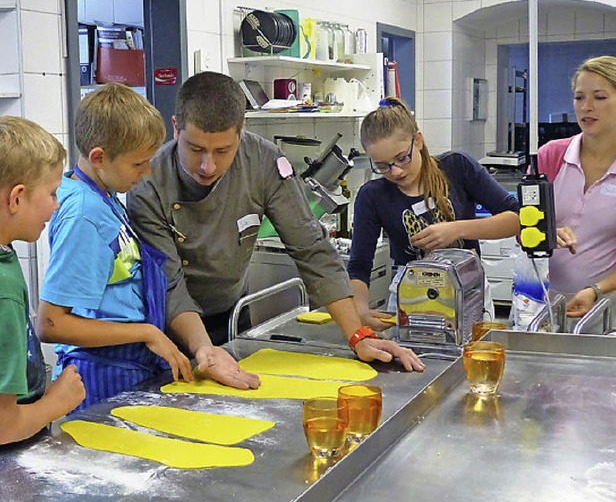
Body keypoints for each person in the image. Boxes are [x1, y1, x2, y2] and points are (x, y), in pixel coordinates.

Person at [127, 72, 423, 377]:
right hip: (169, 328)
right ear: (176, 128)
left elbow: (311, 249)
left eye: (223, 150)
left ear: (241, 134)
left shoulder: (264, 162)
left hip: (231, 315)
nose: (208, 166)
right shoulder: (148, 183)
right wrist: (204, 348)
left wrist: (358, 335)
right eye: (196, 149)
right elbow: (169, 283)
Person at [37, 83, 192, 410]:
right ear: (99, 157)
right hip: (100, 375)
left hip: (126, 365)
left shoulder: (101, 196)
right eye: (138, 164)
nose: (147, 172)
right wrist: (147, 333)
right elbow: (51, 323)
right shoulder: (85, 214)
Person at [348, 97, 520, 331]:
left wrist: (456, 229)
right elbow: (359, 265)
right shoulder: (372, 195)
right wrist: (360, 310)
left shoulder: (457, 168)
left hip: (467, 291)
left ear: (417, 141)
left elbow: (515, 218)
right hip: (410, 297)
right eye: (383, 166)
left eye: (401, 158)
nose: (396, 171)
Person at [537, 55, 616, 330]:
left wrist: (595, 290)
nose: (587, 107)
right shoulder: (551, 156)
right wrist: (545, 232)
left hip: (600, 304)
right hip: (540, 302)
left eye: (599, 97)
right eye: (579, 97)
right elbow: (522, 223)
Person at [0, 116, 86, 444]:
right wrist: (56, 403)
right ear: (16, 198)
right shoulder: (3, 287)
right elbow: (3, 426)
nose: (57, 204)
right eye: (52, 193)